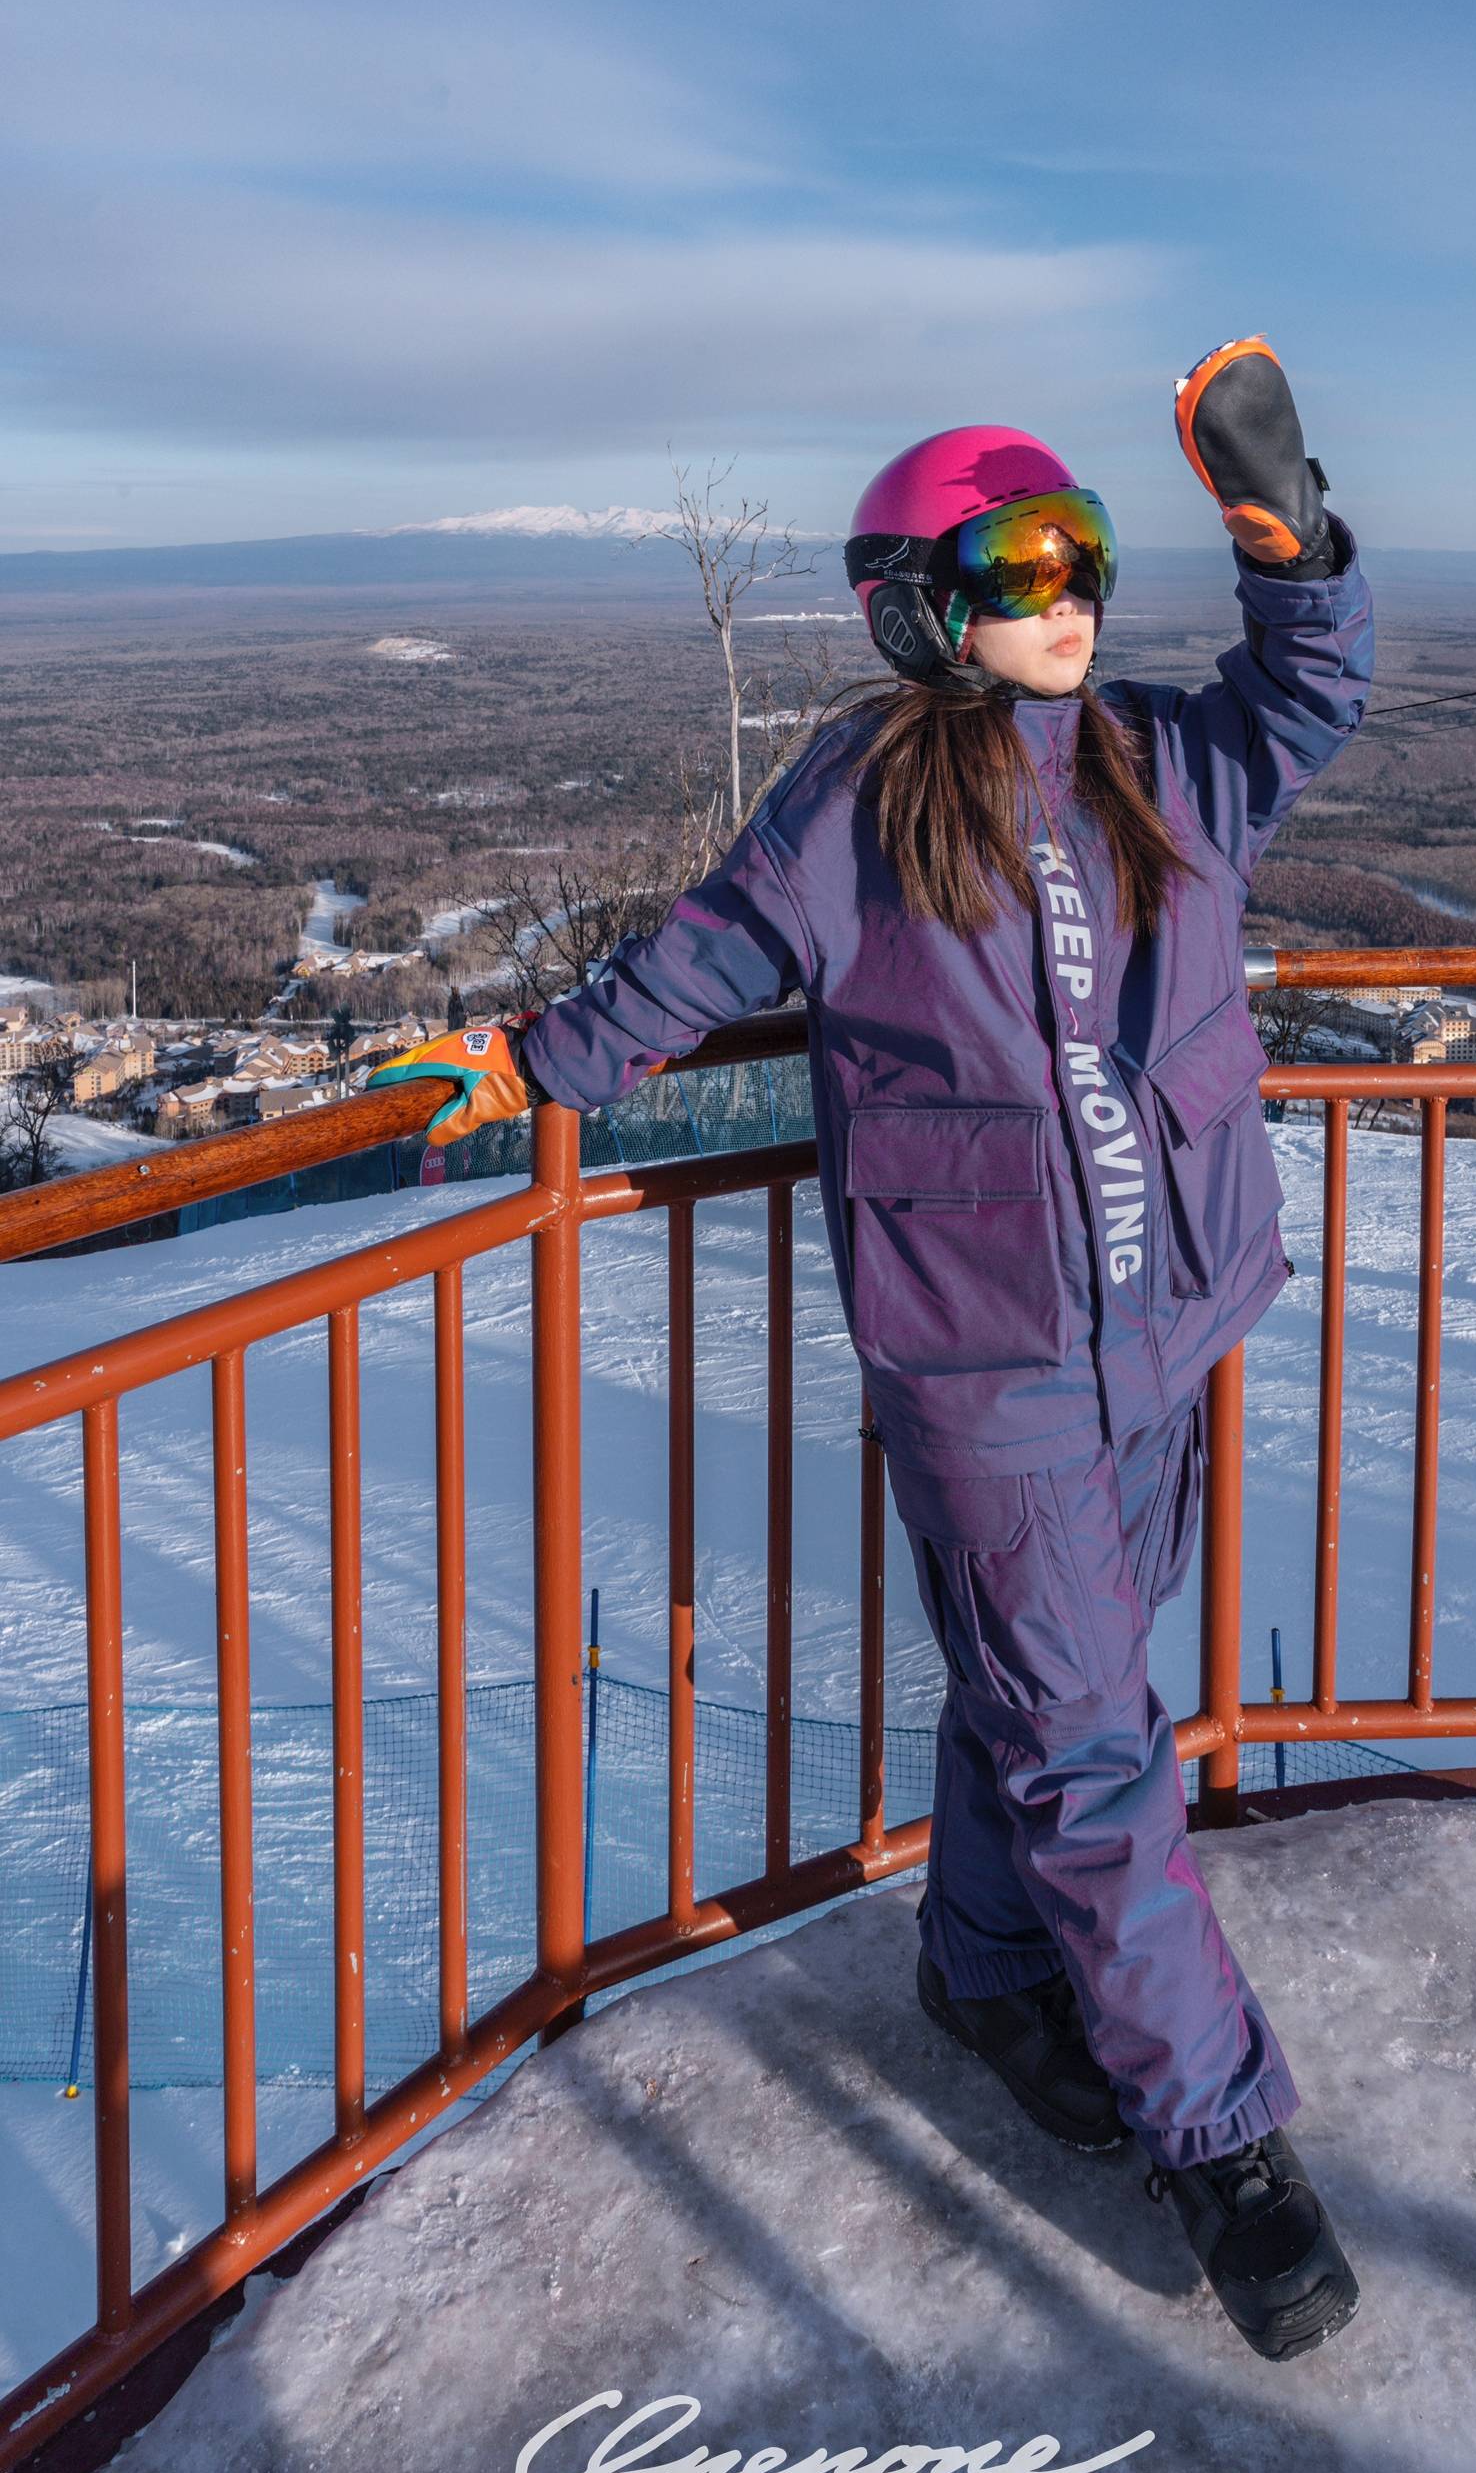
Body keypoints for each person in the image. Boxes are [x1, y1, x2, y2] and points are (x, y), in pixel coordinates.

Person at [371, 339, 1375, 2364]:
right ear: (923, 603)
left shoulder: (1170, 764)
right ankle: (1222, 2142)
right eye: (1013, 568)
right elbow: (695, 959)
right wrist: (525, 1056)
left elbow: (1313, 686)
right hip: (986, 1361)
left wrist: (1288, 531)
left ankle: (984, 1973)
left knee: (1052, 1689)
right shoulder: (850, 804)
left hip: (1167, 1322)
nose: (1064, 596)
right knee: (1097, 1744)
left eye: (1080, 556)